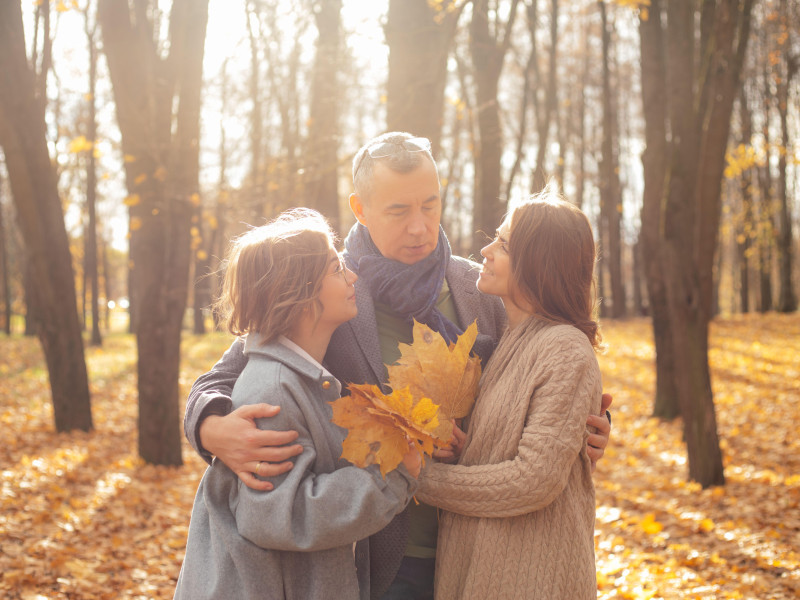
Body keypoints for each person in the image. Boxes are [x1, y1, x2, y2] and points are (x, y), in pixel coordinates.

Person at [184, 132, 613, 599]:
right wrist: (210, 427)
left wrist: (578, 427)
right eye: (398, 211)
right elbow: (225, 377)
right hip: (376, 556)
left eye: (430, 206)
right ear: (361, 208)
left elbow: (534, 374)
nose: (419, 227)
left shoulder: (482, 289)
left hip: (476, 550)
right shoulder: (325, 290)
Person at [174, 209, 421, 600]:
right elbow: (278, 515)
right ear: (301, 293)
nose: (352, 276)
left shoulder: (304, 378)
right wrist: (388, 478)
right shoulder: (272, 391)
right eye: (336, 268)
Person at [415, 187, 602, 599]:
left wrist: (418, 478)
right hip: (481, 573)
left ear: (538, 264)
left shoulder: (564, 347)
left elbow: (532, 479)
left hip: (533, 579)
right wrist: (465, 448)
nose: (486, 249)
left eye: (502, 244)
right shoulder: (510, 341)